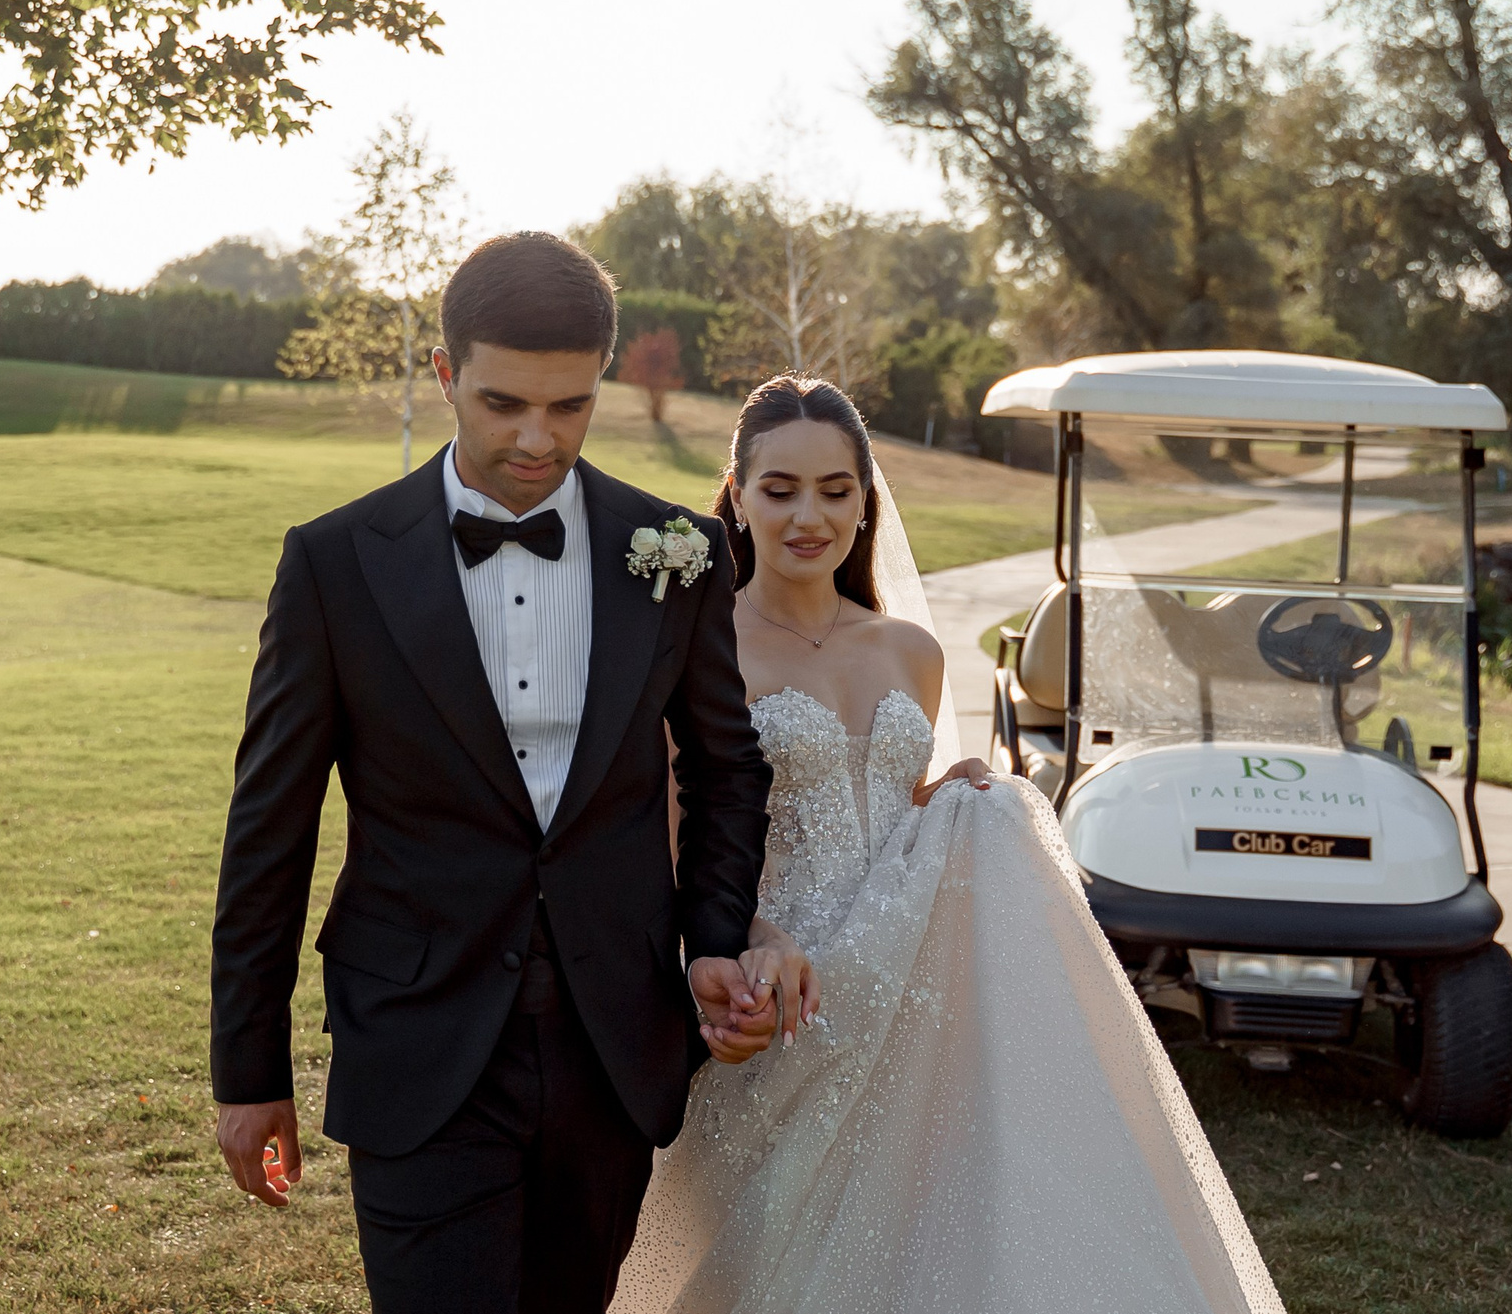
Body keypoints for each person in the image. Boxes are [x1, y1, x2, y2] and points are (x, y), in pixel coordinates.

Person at [611, 376, 1286, 1314]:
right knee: (773, 1250)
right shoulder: (701, 646)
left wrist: (950, 798)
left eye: (835, 490)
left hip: (915, 984)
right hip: (782, 988)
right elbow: (671, 839)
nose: (809, 516)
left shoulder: (910, 651)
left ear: (865, 501)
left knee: (927, 1237)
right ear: (738, 494)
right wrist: (749, 935)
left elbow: (888, 813)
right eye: (780, 489)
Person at [209, 232, 782, 1313]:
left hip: (612, 1046)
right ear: (444, 373)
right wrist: (249, 1069)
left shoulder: (678, 552)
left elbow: (725, 770)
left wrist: (712, 936)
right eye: (504, 402)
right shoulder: (334, 563)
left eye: (570, 405)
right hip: (417, 1042)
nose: (537, 436)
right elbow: (269, 827)